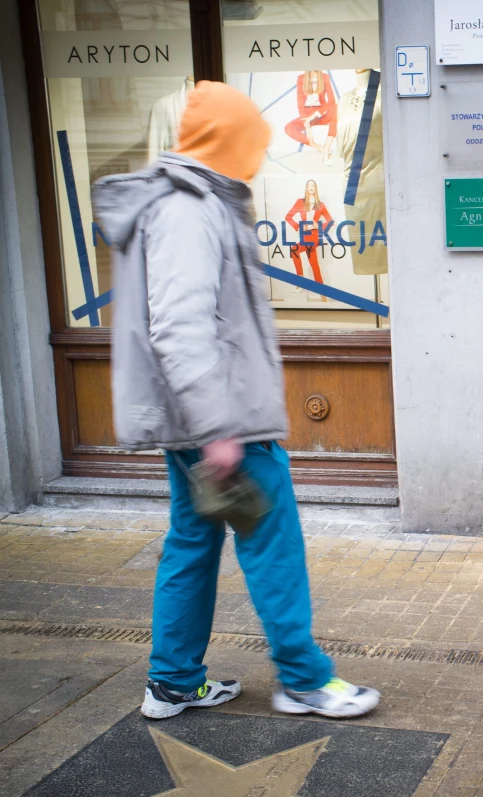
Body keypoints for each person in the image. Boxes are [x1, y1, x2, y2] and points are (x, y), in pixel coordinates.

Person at [94, 81, 380, 721]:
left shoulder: (192, 203)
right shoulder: (188, 209)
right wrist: (218, 428)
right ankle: (305, 679)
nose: (259, 151)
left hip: (199, 419)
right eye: (254, 139)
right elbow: (181, 326)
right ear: (229, 140)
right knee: (272, 544)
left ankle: (171, 681)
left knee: (192, 542)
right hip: (223, 422)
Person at [285, 70, 338, 166]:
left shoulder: (325, 77)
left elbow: (331, 101)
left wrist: (314, 116)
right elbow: (300, 102)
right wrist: (307, 125)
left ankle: (327, 146)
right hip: (307, 115)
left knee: (337, 109)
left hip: (321, 113)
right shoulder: (301, 78)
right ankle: (319, 147)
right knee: (289, 128)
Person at [286, 179, 332, 284]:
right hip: (304, 236)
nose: (311, 187)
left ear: (316, 189)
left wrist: (318, 225)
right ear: (306, 188)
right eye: (309, 185)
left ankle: (300, 280)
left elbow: (330, 221)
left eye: (313, 185)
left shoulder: (321, 204)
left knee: (294, 250)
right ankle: (323, 292)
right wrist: (298, 226)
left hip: (314, 237)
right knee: (315, 266)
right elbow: (288, 217)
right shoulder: (300, 202)